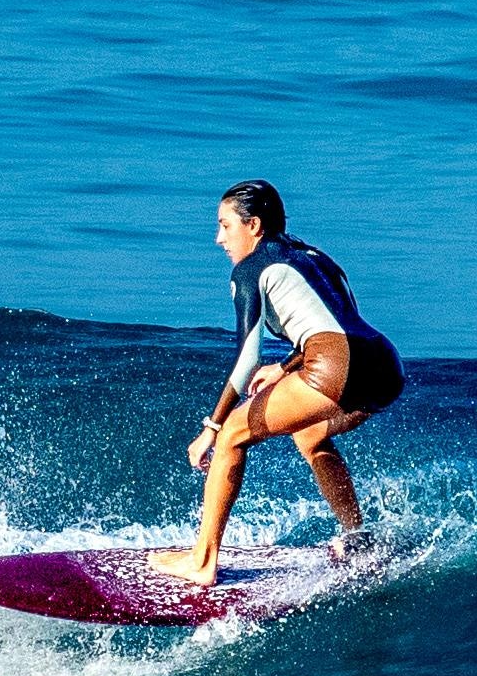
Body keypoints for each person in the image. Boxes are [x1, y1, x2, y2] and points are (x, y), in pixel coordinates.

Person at [147, 180, 406, 581]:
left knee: (235, 432)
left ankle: (201, 562)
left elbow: (246, 359)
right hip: (386, 365)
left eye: (226, 226)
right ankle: (357, 536)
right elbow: (339, 323)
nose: (219, 239)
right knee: (310, 435)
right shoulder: (316, 257)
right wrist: (286, 367)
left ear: (254, 226)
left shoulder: (250, 269)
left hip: (333, 364)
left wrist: (212, 427)